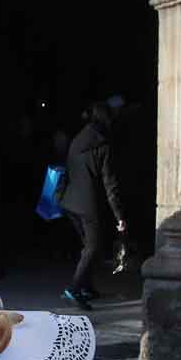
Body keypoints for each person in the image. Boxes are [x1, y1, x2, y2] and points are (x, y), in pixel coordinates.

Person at [58, 101, 126, 311]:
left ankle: (86, 286)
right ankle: (74, 288)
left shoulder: (78, 139)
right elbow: (110, 185)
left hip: (69, 202)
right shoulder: (102, 146)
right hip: (88, 206)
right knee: (93, 247)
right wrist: (119, 216)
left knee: (89, 246)